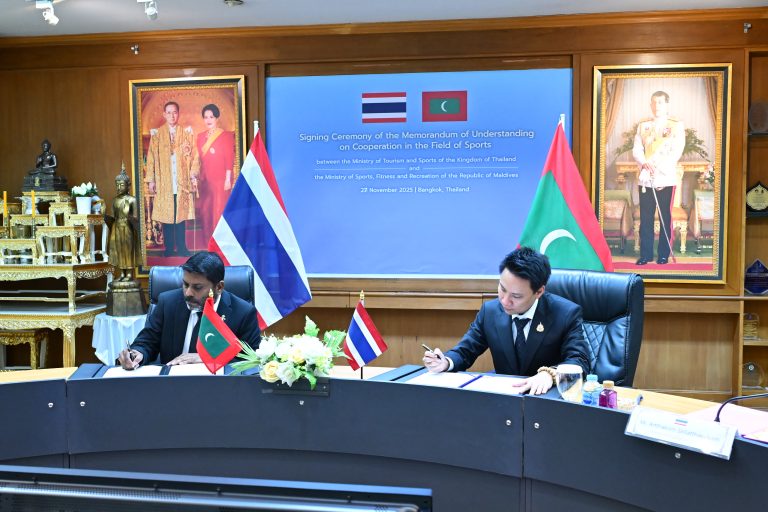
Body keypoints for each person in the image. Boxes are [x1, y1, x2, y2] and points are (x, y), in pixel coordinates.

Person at [422, 247, 590, 395]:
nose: (504, 301)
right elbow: (465, 351)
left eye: (516, 296)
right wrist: (445, 362)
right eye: (502, 289)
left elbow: (579, 360)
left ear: (539, 292)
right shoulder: (490, 311)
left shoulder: (565, 314)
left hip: (545, 400)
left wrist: (550, 374)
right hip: (505, 400)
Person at [118, 251, 261, 368]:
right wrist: (137, 353)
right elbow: (147, 342)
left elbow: (252, 360)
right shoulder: (167, 303)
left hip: (219, 387)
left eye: (197, 287)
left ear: (219, 287)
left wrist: (208, 359)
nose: (188, 293)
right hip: (173, 385)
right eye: (185, 284)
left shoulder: (243, 313)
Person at [632, 90, 686, 265]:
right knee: (646, 218)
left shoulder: (676, 126)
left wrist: (658, 169)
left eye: (660, 102)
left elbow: (676, 151)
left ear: (667, 104)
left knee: (664, 217)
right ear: (650, 105)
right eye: (654, 102)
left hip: (665, 178)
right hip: (646, 179)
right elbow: (637, 149)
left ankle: (663, 254)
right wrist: (644, 163)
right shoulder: (643, 126)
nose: (657, 106)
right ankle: (646, 254)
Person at [145, 101, 200, 257]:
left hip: (181, 182)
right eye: (168, 112)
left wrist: (193, 175)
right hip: (164, 182)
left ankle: (182, 248)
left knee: (180, 216)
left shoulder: (186, 133)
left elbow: (195, 156)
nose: (172, 115)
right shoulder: (157, 135)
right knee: (167, 216)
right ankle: (169, 248)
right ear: (164, 114)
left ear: (178, 114)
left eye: (174, 112)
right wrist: (151, 180)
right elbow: (151, 158)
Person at [196, 103, 235, 243]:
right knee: (205, 212)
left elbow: (229, 158)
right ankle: (209, 241)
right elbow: (198, 159)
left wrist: (228, 179)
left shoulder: (226, 136)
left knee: (218, 211)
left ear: (217, 118)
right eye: (206, 117)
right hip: (205, 180)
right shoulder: (200, 137)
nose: (208, 120)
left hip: (220, 180)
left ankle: (220, 243)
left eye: (211, 117)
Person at [105, 165, 141, 282]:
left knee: (127, 249)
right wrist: (105, 217)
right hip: (117, 228)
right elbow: (113, 217)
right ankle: (121, 273)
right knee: (119, 250)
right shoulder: (115, 200)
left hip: (128, 228)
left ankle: (129, 274)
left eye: (122, 185)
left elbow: (136, 219)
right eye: (117, 185)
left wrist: (128, 216)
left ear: (128, 185)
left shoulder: (132, 200)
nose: (119, 187)